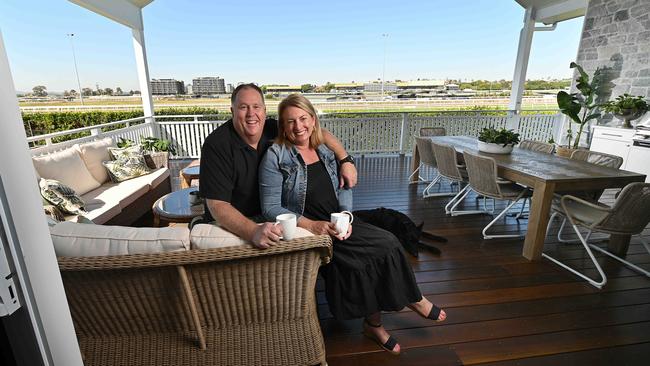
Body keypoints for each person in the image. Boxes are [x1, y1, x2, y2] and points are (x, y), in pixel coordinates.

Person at [258, 94, 446, 356]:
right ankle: (407, 303)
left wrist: (345, 215)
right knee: (368, 256)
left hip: (338, 220)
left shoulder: (325, 149)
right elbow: (270, 207)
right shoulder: (275, 156)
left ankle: (374, 324)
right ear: (282, 126)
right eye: (290, 121)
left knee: (388, 242)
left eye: (303, 119)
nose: (298, 126)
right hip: (309, 227)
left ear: (313, 120)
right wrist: (312, 226)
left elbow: (344, 187)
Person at [199, 83, 357, 248]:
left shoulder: (272, 128)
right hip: (242, 224)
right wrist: (252, 231)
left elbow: (317, 132)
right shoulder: (216, 145)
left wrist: (345, 160)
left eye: (256, 107)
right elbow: (217, 205)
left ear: (264, 111)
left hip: (275, 219)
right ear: (232, 111)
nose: (251, 114)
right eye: (243, 107)